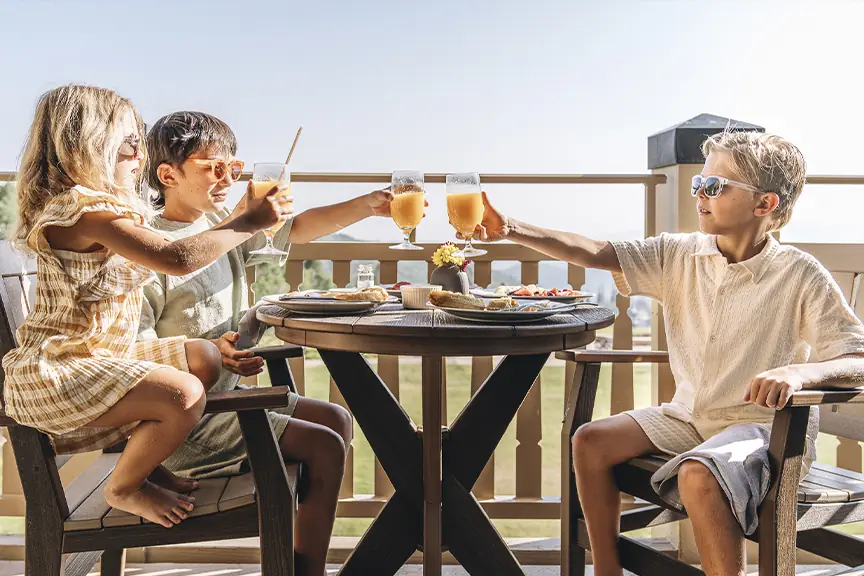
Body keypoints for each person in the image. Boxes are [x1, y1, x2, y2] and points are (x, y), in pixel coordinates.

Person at [466, 130, 864, 575]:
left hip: (763, 429)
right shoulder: (678, 253)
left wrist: (798, 373)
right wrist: (510, 229)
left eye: (715, 187)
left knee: (698, 474)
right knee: (591, 440)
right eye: (698, 184)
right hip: (689, 416)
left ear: (765, 204)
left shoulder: (800, 274)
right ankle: (607, 569)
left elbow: (857, 358)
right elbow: (598, 252)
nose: (700, 195)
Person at [1, 85, 291, 529]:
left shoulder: (107, 209)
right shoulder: (81, 212)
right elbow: (174, 259)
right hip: (61, 367)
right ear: (89, 145)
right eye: (129, 144)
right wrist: (247, 221)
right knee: (185, 392)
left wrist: (237, 221)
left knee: (204, 354)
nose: (140, 155)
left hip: (99, 357)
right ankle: (124, 487)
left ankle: (150, 463)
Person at [140, 111, 401, 576]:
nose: (227, 178)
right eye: (211, 167)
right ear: (168, 175)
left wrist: (367, 204)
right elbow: (136, 347)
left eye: (232, 167)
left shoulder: (222, 225)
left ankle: (290, 558)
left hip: (230, 397)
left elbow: (294, 230)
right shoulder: (152, 248)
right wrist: (204, 351)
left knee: (336, 420)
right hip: (186, 421)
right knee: (324, 447)